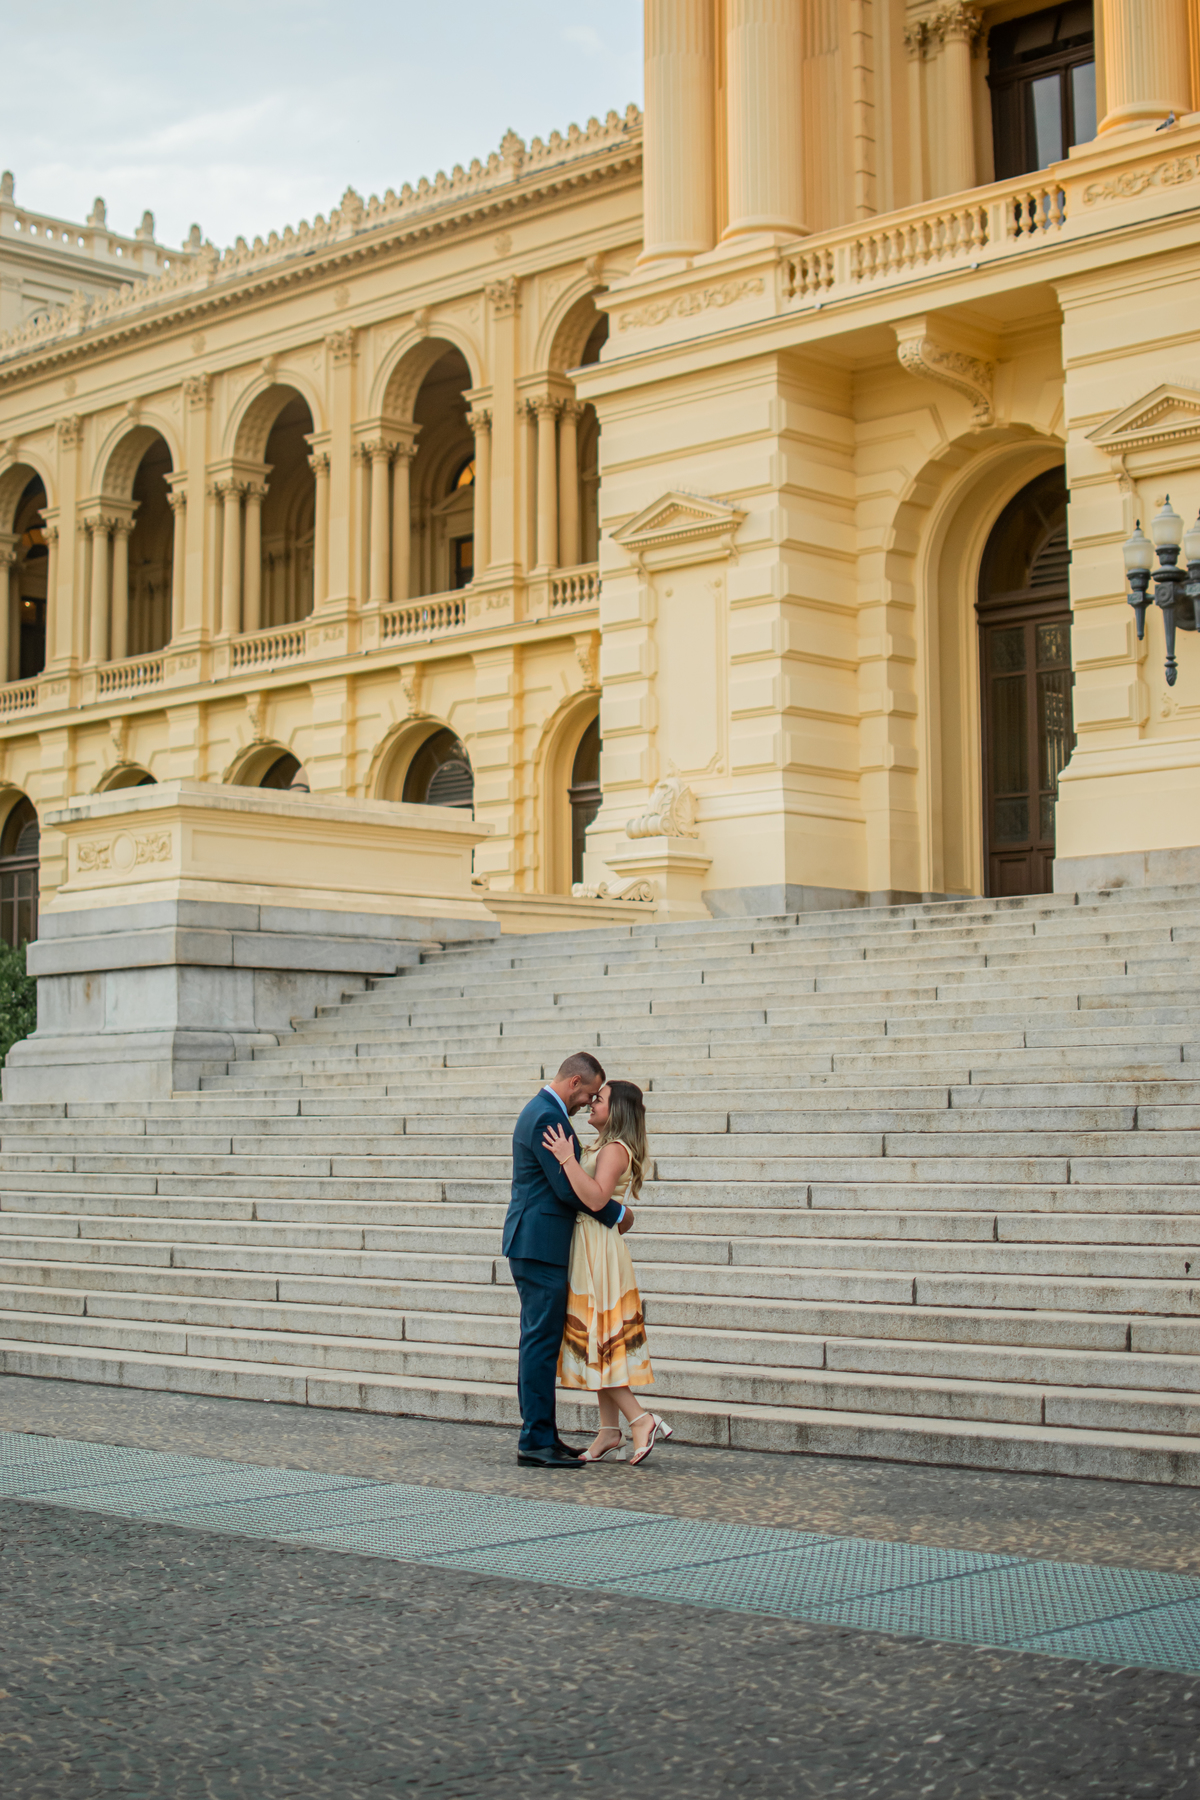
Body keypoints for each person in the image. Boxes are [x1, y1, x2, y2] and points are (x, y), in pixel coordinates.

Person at [502, 1051, 634, 1468]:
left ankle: (543, 1434)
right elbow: (566, 1189)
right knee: (540, 1343)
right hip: (539, 1243)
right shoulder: (547, 1116)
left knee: (540, 1341)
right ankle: (535, 1440)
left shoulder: (543, 1110)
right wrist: (618, 1213)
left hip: (537, 1241)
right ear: (575, 1083)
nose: (587, 1104)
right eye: (589, 1094)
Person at [543, 1079, 672, 1468]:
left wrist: (566, 1158)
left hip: (598, 1248)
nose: (591, 1103)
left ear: (617, 1111)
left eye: (599, 1099)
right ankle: (608, 1431)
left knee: (601, 1339)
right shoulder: (602, 1146)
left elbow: (598, 1198)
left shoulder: (615, 1149)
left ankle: (640, 1419)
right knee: (599, 1337)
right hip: (591, 1244)